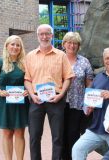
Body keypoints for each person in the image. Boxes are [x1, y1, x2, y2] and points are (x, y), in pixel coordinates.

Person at [24, 24, 75, 160]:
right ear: (37, 36)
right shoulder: (30, 56)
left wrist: (61, 95)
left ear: (52, 36)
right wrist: (31, 95)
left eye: (47, 34)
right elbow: (27, 79)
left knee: (57, 136)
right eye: (41, 34)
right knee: (34, 136)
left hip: (56, 100)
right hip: (36, 100)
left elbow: (68, 77)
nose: (44, 36)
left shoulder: (61, 55)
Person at [72, 47, 109, 160]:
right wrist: (88, 108)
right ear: (104, 61)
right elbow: (87, 105)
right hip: (96, 129)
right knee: (78, 149)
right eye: (107, 58)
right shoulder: (98, 77)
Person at [0, 35, 30, 160]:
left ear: (21, 48)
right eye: (12, 44)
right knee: (7, 133)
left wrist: (28, 90)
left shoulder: (25, 63)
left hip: (21, 102)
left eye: (18, 45)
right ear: (7, 46)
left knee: (19, 132)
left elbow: (30, 81)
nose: (15, 47)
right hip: (4, 101)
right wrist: (0, 91)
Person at [62, 32, 94, 160]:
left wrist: (89, 102)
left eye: (75, 43)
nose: (72, 45)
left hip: (77, 104)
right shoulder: (58, 59)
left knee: (73, 135)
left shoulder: (84, 62)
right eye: (69, 42)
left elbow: (89, 83)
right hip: (59, 103)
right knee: (60, 135)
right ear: (64, 44)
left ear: (79, 46)